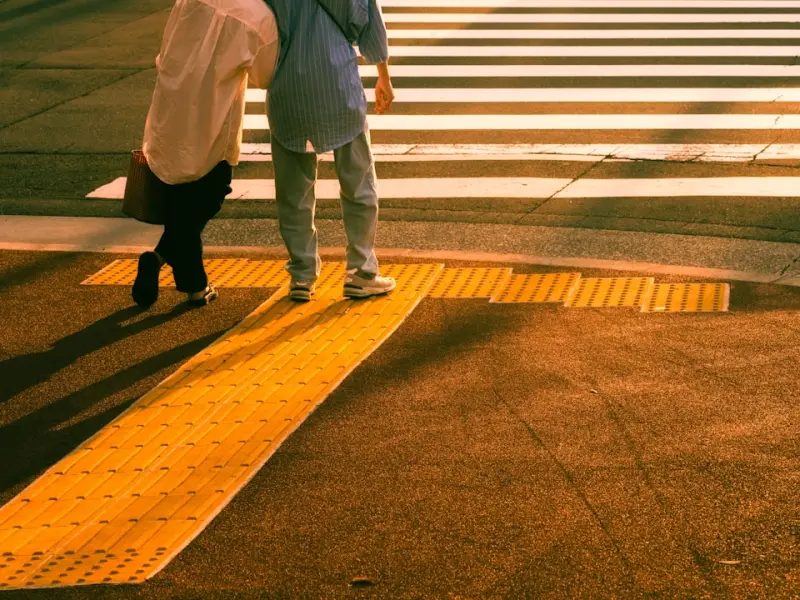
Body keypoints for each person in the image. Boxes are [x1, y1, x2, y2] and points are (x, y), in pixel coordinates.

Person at [132, 0, 280, 308]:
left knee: (180, 200)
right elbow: (264, 77)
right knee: (208, 196)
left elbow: (165, 51)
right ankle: (183, 277)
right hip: (213, 123)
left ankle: (172, 267)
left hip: (172, 111)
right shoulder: (259, 18)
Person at [265, 0, 397, 302]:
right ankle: (361, 271)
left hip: (286, 86)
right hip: (335, 82)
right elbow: (368, 18)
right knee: (359, 182)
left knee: (293, 192)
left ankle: (301, 275)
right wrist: (383, 75)